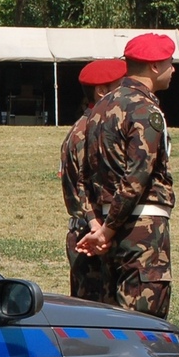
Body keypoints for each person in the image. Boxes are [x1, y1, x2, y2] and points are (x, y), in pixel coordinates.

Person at [75, 32, 177, 319]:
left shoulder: (101, 108)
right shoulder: (144, 108)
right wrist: (107, 229)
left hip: (109, 224)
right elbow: (137, 178)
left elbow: (86, 176)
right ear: (154, 67)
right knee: (144, 322)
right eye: (170, 63)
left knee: (114, 320)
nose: (173, 70)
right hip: (140, 226)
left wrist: (101, 226)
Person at [60, 58, 127, 302]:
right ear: (102, 91)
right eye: (121, 86)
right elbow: (82, 186)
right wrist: (96, 227)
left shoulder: (91, 125)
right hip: (91, 237)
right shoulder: (89, 129)